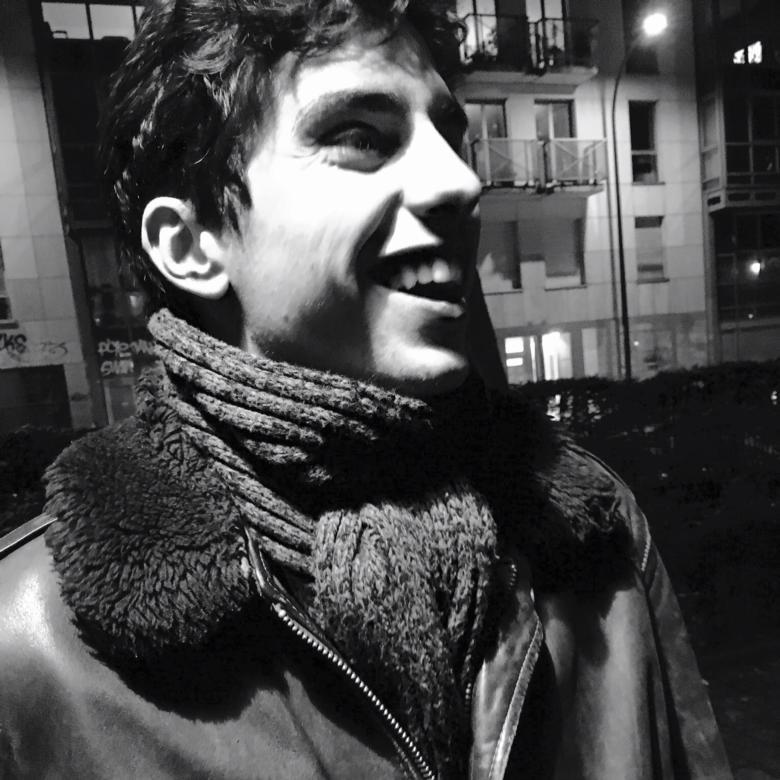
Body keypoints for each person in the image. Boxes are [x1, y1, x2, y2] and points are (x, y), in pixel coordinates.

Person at [0, 1, 730, 778]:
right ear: (192, 246)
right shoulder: (29, 647)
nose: (461, 182)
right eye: (360, 136)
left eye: (451, 137)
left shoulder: (593, 535)